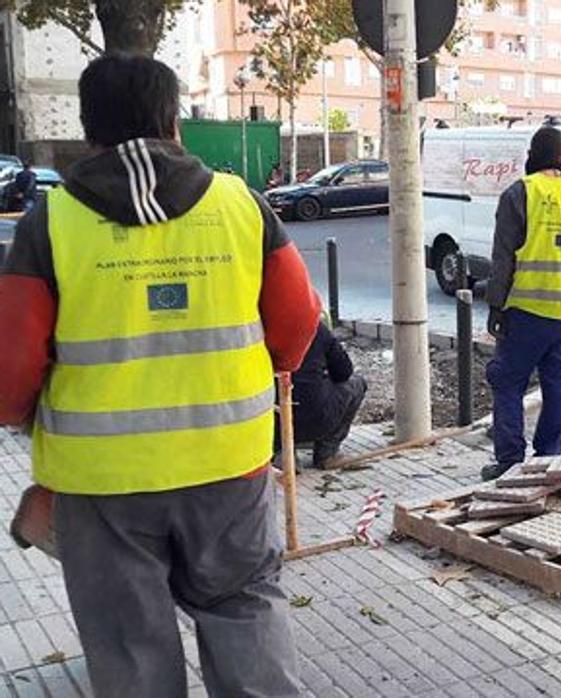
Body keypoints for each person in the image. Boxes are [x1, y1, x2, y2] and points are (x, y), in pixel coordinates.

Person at [0, 55, 321, 697]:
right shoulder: (242, 206)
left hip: (102, 487)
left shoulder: (51, 223)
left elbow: (10, 375)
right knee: (245, 614)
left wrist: (23, 417)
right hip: (230, 468)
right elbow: (296, 324)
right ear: (174, 120)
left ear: (88, 129)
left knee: (129, 643)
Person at [482, 127, 561, 481]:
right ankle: (547, 458)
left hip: (524, 312)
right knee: (556, 387)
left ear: (533, 154)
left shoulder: (519, 194)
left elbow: (503, 258)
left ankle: (510, 460)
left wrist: (496, 306)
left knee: (508, 383)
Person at [276, 316, 368, 468]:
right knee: (357, 383)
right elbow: (344, 373)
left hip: (275, 419)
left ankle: (283, 456)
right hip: (318, 417)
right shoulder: (316, 328)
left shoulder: (260, 330)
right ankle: (327, 452)